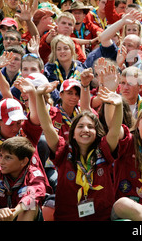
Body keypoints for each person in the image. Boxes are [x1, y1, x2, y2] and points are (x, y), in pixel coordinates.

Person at [35, 83, 123, 221]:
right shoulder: (63, 150)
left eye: (90, 127)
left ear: (96, 132)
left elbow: (115, 130)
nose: (85, 130)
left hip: (101, 218)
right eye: (80, 126)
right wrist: (39, 95)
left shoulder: (104, 150)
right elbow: (46, 126)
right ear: (73, 133)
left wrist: (118, 106)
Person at [0, 136, 47, 221]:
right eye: (1, 156)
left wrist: (14, 212)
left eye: (8, 157)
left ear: (24, 161)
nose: (1, 162)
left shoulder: (34, 175)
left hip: (20, 214)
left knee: (31, 206)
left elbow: (35, 193)